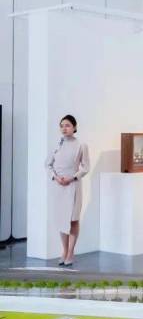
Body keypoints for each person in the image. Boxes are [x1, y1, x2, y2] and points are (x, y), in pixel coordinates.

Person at [45, 114, 90, 267]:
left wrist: (73, 177)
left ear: (74, 127)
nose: (64, 128)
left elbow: (86, 167)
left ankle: (71, 252)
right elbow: (47, 164)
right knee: (61, 219)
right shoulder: (57, 144)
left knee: (73, 219)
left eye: (67, 125)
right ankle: (64, 251)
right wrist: (55, 177)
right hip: (59, 187)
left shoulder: (81, 145)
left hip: (73, 186)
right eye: (62, 126)